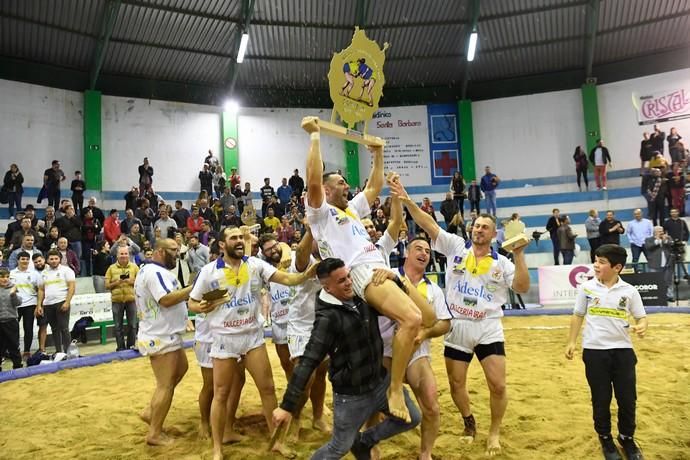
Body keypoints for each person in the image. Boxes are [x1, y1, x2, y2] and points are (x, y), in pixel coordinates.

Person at [301, 116, 435, 422]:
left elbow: (374, 186)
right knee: (413, 318)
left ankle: (389, 359)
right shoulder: (320, 213)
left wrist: (378, 152)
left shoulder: (350, 209)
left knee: (428, 318)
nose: (347, 186)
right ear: (326, 189)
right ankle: (395, 388)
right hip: (362, 272)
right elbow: (312, 180)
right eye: (340, 183)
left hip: (382, 268)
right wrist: (315, 137)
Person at [389, 177, 530, 457]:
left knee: (498, 385)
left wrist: (520, 255)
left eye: (484, 228)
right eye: (476, 226)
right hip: (458, 326)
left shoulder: (502, 262)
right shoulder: (455, 246)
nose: (478, 230)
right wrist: (406, 200)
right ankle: (469, 421)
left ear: (493, 235)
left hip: (488, 326)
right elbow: (428, 224)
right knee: (456, 385)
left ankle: (494, 432)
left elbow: (522, 287)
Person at [187, 226, 319, 460]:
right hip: (224, 339)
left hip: (252, 336)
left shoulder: (256, 265)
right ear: (221, 244)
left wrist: (305, 275)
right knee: (221, 393)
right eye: (233, 238)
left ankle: (276, 441)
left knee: (267, 389)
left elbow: (287, 278)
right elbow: (192, 303)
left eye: (241, 237)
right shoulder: (208, 271)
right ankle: (217, 448)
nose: (239, 241)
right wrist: (202, 307)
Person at [273, 258, 421, 459]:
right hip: (351, 396)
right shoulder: (327, 319)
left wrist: (394, 279)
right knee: (338, 447)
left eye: (349, 276)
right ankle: (356, 443)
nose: (350, 282)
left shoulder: (361, 296)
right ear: (327, 287)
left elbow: (399, 305)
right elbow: (308, 361)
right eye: (342, 280)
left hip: (379, 382)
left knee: (412, 418)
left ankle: (364, 441)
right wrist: (286, 407)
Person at [565, 244, 647, 460]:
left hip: (623, 352)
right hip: (594, 352)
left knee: (627, 398)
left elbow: (641, 317)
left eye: (601, 262)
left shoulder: (629, 291)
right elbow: (577, 315)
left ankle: (627, 438)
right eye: (595, 260)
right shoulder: (586, 288)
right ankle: (605, 438)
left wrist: (642, 325)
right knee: (600, 398)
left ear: (617, 267)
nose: (596, 265)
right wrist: (571, 342)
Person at [135, 238, 200, 446]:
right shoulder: (154, 272)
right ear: (160, 251)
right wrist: (194, 288)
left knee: (181, 368)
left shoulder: (154, 271)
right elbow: (166, 299)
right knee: (165, 385)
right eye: (174, 251)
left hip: (165, 332)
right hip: (160, 335)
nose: (178, 255)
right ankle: (154, 433)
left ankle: (150, 412)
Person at [36, 249, 75, 353]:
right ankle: (59, 352)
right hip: (48, 304)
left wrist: (67, 302)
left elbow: (72, 287)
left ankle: (67, 352)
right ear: (47, 260)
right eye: (51, 259)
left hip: (61, 302)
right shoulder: (43, 273)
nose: (53, 261)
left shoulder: (66, 270)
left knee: (64, 328)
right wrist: (39, 305)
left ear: (60, 259)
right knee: (54, 329)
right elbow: (41, 290)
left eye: (56, 258)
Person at [105, 246, 139, 351]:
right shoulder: (111, 268)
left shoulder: (135, 267)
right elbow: (106, 285)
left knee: (133, 325)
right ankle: (120, 348)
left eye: (125, 254)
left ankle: (131, 346)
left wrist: (131, 282)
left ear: (129, 255)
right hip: (117, 301)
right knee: (117, 326)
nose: (123, 256)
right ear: (117, 255)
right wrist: (116, 283)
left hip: (131, 300)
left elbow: (141, 283)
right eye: (121, 254)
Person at [9, 252, 40, 360]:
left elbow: (39, 289)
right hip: (14, 305)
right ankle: (14, 352)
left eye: (27, 259)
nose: (25, 261)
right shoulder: (11, 273)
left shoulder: (34, 273)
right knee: (12, 330)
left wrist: (39, 305)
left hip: (30, 304)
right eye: (23, 259)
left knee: (28, 328)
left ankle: (27, 351)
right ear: (18, 260)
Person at [0, 268, 22, 370]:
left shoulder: (13, 288)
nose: (5, 279)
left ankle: (17, 366)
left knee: (14, 345)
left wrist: (13, 294)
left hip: (11, 321)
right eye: (2, 277)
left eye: (7, 277)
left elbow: (18, 303)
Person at [645, 226, 674, 301]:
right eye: (659, 231)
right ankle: (656, 296)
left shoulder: (668, 237)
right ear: (654, 232)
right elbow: (648, 247)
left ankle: (669, 296)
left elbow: (672, 245)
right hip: (654, 264)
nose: (661, 232)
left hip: (667, 264)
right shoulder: (649, 239)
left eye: (662, 231)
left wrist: (665, 241)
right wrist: (657, 240)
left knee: (668, 280)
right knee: (654, 281)